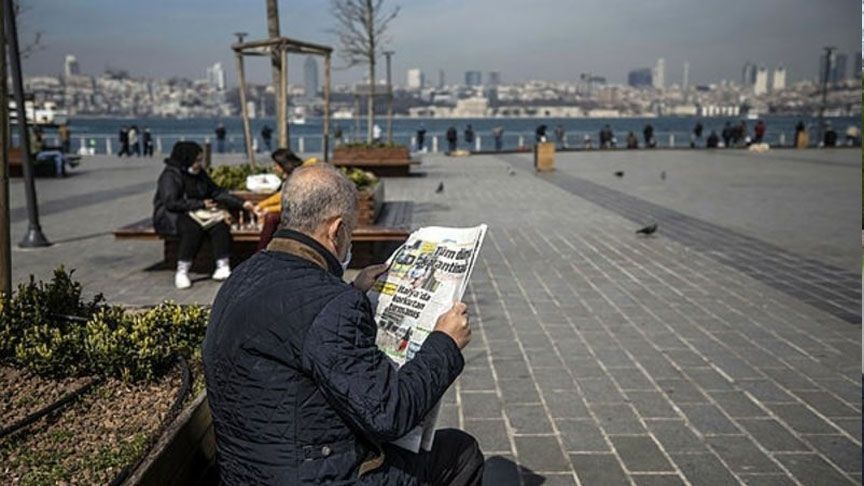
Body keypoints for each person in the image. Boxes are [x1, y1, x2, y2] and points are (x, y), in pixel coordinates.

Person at [203, 163, 484, 485]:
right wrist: (444, 344)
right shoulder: (329, 304)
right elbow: (389, 415)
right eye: (349, 231)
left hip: (248, 472)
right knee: (461, 453)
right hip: (316, 475)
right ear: (336, 231)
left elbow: (295, 323)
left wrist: (353, 293)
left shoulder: (243, 275)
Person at [153, 141, 254, 289]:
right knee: (192, 228)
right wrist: (200, 204)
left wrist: (242, 204)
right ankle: (182, 270)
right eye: (197, 160)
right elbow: (170, 202)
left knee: (219, 225)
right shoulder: (170, 176)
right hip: (173, 215)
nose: (199, 164)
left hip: (199, 212)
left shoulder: (200, 174)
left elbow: (216, 192)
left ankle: (223, 265)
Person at [254, 149, 306, 251]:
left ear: (284, 164)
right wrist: (262, 205)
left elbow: (292, 202)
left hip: (300, 212)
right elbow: (282, 196)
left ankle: (261, 250)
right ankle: (263, 250)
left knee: (271, 218)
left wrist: (268, 209)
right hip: (291, 211)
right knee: (271, 217)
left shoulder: (298, 176)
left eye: (276, 165)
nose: (275, 168)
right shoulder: (290, 177)